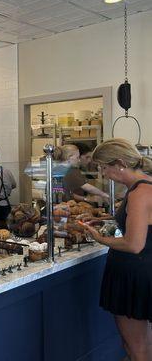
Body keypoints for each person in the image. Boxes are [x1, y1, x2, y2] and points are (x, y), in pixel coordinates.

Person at [82, 138, 152, 361]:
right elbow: (140, 221)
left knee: (136, 347)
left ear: (120, 163)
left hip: (133, 273)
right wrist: (104, 218)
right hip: (139, 270)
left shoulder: (140, 193)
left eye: (104, 167)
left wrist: (99, 238)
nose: (103, 174)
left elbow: (134, 244)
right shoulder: (143, 185)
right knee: (143, 343)